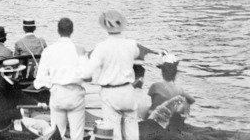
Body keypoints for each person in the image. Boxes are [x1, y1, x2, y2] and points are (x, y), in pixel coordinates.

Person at [83, 10, 140, 140]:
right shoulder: (131, 44)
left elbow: (87, 72)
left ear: (105, 28)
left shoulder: (101, 47)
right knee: (132, 133)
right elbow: (136, 53)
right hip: (128, 91)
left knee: (114, 133)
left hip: (110, 93)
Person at [34, 17, 86, 140]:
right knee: (77, 135)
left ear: (58, 30)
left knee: (57, 134)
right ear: (72, 31)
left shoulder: (48, 50)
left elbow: (40, 79)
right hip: (75, 94)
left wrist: (50, 84)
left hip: (57, 93)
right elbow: (86, 75)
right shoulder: (79, 49)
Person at [148, 53, 195, 132]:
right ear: (175, 74)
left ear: (162, 73)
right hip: (172, 123)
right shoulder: (180, 90)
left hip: (157, 123)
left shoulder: (155, 86)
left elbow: (152, 109)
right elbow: (192, 100)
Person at [0, 58, 37, 131]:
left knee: (42, 124)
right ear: (10, 74)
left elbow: (23, 96)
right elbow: (2, 114)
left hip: (13, 122)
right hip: (2, 128)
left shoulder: (13, 84)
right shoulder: (0, 89)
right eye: (18, 72)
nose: (21, 74)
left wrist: (37, 104)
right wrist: (21, 111)